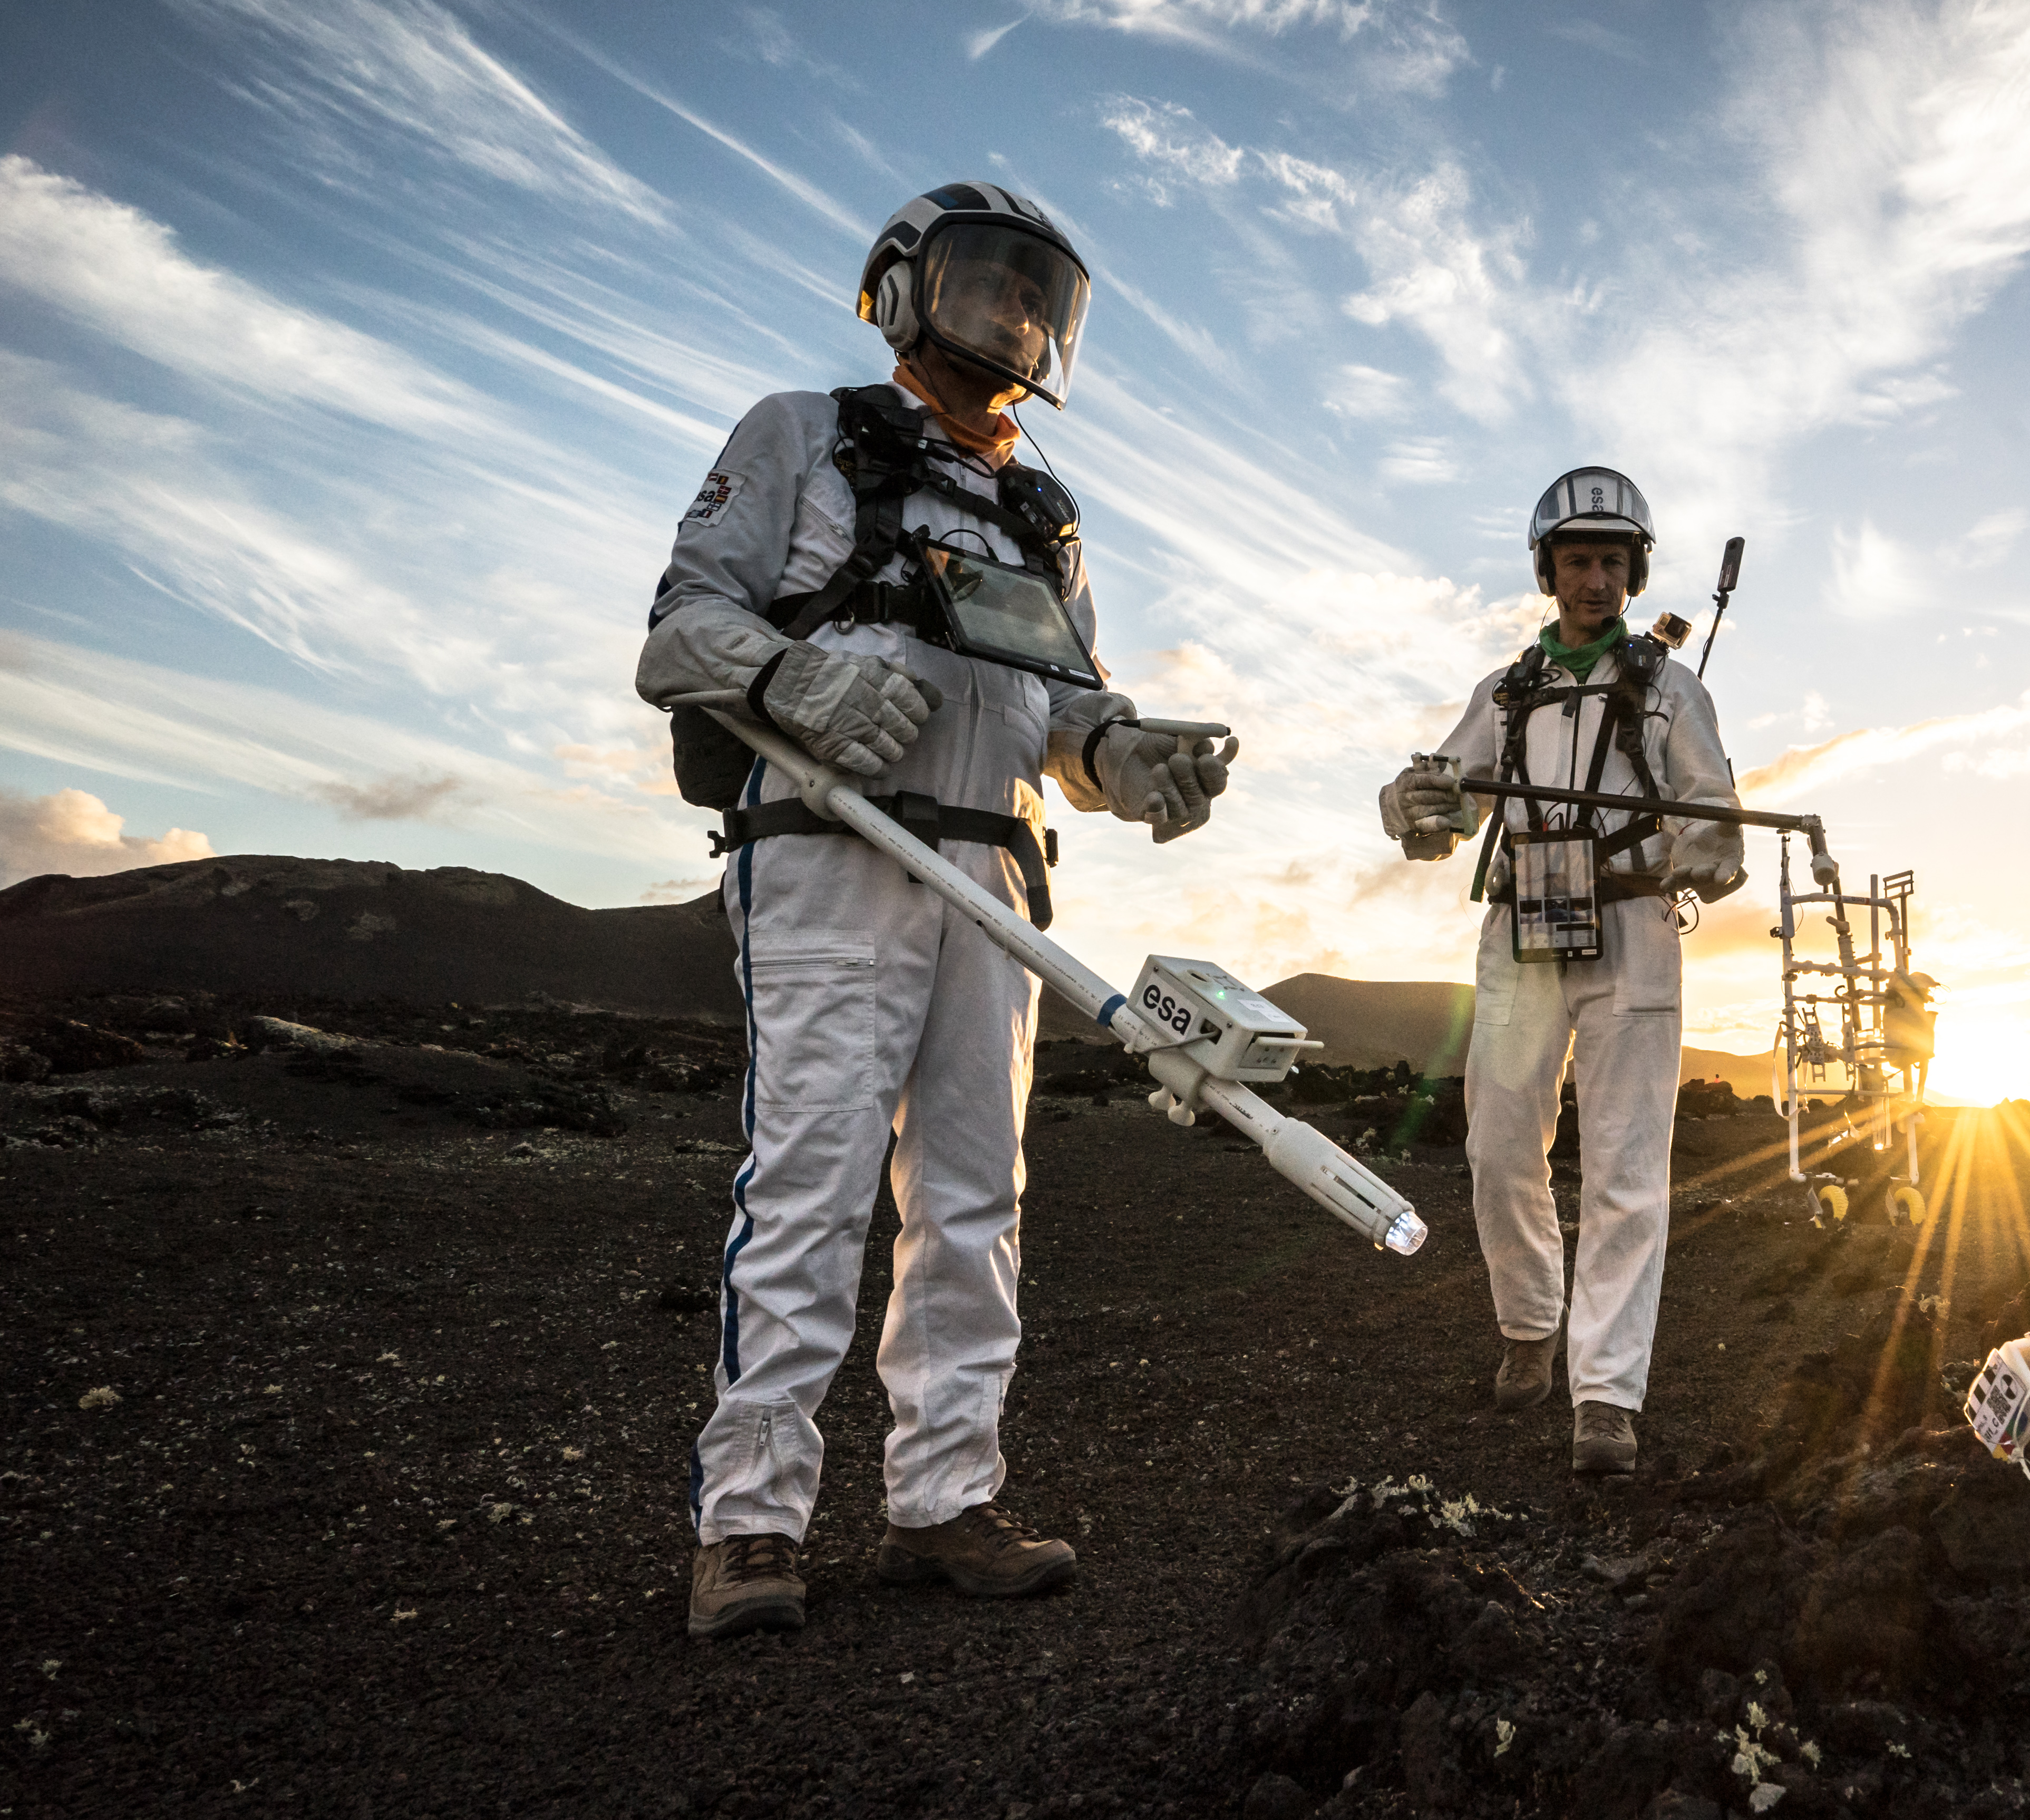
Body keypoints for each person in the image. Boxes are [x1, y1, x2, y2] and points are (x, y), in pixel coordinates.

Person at [637, 181, 1239, 1640]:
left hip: (992, 883)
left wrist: (1125, 757)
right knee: (811, 1182)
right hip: (834, 855)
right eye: (988, 280)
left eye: (1040, 297)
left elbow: (1066, 713)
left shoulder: (1043, 514)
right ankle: (753, 1521)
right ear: (904, 285)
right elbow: (677, 632)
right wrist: (794, 682)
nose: (1016, 313)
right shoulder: (800, 437)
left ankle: (942, 1496)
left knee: (974, 1198)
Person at [1379, 468, 1744, 1475]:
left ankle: (1605, 1396)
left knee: (1628, 1167)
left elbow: (1712, 813)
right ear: (1547, 572)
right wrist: (1411, 804)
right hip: (1520, 927)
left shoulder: (1674, 687)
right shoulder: (1505, 692)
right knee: (1499, 1145)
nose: (1596, 580)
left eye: (1613, 564)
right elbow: (1444, 811)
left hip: (1632, 927)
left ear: (1633, 575)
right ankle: (1530, 1324)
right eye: (1578, 561)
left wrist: (1704, 854)